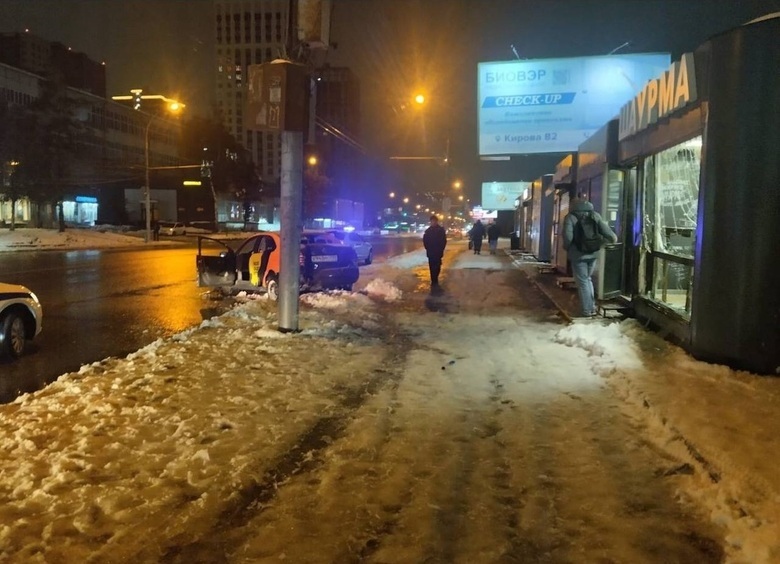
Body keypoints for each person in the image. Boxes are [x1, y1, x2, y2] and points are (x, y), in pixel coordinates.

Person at [563, 193, 617, 317]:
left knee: (582, 282)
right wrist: (601, 243)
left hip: (578, 255)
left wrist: (568, 248)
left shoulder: (570, 217)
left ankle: (587, 310)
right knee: (587, 279)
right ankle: (591, 307)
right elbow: (611, 236)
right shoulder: (595, 215)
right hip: (593, 253)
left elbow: (568, 237)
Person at [422, 214, 447, 287]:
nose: (433, 222)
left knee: (437, 266)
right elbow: (425, 241)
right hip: (430, 252)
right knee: (431, 266)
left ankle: (435, 277)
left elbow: (444, 241)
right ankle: (433, 280)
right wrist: (427, 248)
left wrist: (441, 249)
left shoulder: (440, 230)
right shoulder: (428, 231)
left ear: (436, 221)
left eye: (434, 221)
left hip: (438, 252)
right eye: (432, 221)